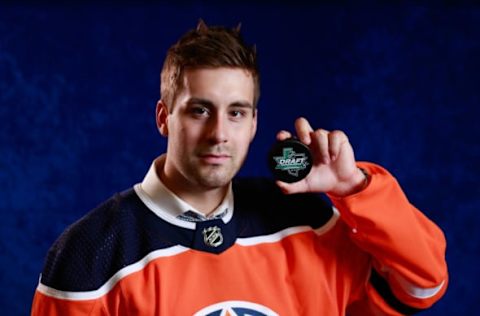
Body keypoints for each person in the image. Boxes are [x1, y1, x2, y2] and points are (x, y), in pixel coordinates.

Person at [31, 20, 448, 315]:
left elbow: (422, 285)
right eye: (199, 110)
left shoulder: (308, 222)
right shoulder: (91, 253)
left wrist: (355, 189)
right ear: (163, 117)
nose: (219, 133)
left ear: (254, 124)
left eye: (236, 113)